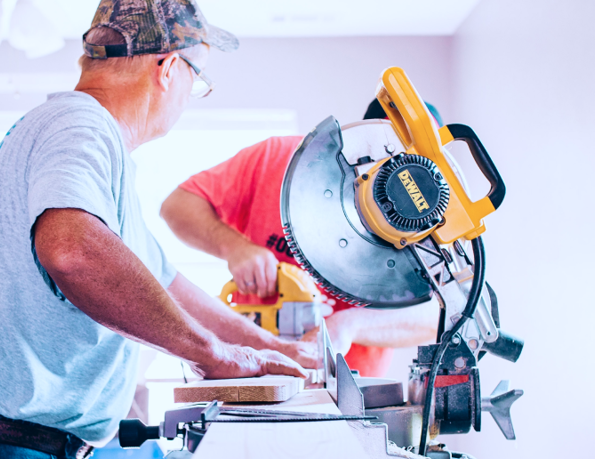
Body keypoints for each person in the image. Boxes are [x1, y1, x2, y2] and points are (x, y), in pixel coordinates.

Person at [0, 1, 318, 459]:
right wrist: (211, 354)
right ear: (168, 68)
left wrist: (273, 351)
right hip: (0, 458)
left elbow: (168, 286)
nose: (191, 95)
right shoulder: (81, 125)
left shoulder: (86, 142)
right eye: (197, 79)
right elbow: (72, 252)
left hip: (2, 453)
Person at [160, 101, 453, 378]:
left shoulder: (429, 222)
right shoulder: (277, 159)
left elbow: (441, 314)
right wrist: (234, 247)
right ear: (363, 139)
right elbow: (177, 206)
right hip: (250, 368)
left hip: (348, 386)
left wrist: (348, 325)